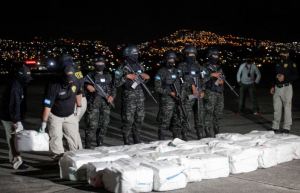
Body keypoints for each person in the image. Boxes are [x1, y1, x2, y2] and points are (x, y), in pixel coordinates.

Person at [40, 65, 83, 161]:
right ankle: (57, 160)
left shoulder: (75, 80)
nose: (71, 81)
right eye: (69, 80)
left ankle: (74, 159)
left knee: (73, 138)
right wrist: (43, 122)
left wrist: (79, 106)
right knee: (56, 138)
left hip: (70, 115)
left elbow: (79, 93)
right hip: (55, 116)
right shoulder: (54, 85)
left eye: (72, 79)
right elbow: (47, 105)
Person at [114, 45, 150, 145]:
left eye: (137, 54)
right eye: (134, 54)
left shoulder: (139, 66)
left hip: (140, 95)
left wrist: (147, 77)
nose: (136, 56)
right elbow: (116, 83)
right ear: (128, 54)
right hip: (128, 95)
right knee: (128, 118)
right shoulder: (121, 68)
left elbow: (143, 80)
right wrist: (126, 76)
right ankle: (126, 139)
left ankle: (136, 138)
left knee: (140, 117)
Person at [0, 66, 33, 169]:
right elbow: (13, 106)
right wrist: (16, 121)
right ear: (20, 77)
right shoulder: (15, 88)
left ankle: (16, 157)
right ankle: (16, 162)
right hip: (9, 116)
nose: (27, 82)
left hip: (14, 115)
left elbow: (21, 102)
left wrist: (24, 112)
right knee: (13, 139)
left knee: (16, 138)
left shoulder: (21, 85)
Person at [178, 45, 210, 140]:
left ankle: (199, 133)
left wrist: (203, 90)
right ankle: (184, 133)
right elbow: (179, 81)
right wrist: (191, 85)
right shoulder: (181, 66)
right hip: (187, 94)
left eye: (193, 54)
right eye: (190, 54)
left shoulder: (198, 66)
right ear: (186, 55)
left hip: (199, 94)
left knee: (200, 114)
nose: (192, 56)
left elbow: (203, 79)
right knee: (185, 114)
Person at [84, 56, 116, 148]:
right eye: (98, 64)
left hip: (106, 103)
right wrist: (87, 86)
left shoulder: (108, 75)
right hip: (93, 103)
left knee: (104, 124)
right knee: (92, 124)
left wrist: (112, 96)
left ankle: (100, 142)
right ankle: (88, 143)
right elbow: (81, 84)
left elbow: (113, 88)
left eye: (102, 64)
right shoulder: (89, 75)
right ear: (94, 64)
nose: (100, 65)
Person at [155, 50, 183, 140]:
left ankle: (176, 139)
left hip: (178, 99)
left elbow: (183, 84)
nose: (172, 61)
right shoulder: (161, 72)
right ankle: (161, 140)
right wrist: (169, 93)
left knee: (178, 120)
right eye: (170, 60)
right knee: (164, 121)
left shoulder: (178, 71)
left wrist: (181, 95)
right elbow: (157, 88)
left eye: (173, 59)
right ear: (166, 60)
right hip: (167, 101)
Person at [269, 47, 299, 134]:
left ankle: (286, 127)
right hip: (277, 87)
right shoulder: (277, 63)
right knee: (276, 108)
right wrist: (272, 86)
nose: (282, 54)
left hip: (287, 88)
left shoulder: (291, 63)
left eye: (284, 53)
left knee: (287, 107)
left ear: (287, 54)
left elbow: (296, 75)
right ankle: (275, 127)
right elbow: (273, 75)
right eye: (281, 53)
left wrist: (285, 78)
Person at [58, 54, 85, 149]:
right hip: (81, 99)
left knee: (71, 128)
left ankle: (76, 150)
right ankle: (77, 148)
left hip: (75, 100)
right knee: (73, 127)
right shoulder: (77, 70)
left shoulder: (68, 71)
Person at [202, 48, 224, 137]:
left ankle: (216, 127)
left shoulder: (218, 67)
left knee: (218, 111)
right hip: (210, 92)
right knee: (209, 112)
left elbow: (222, 77)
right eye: (214, 55)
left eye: (217, 56)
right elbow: (201, 79)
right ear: (209, 56)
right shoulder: (204, 67)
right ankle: (207, 129)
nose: (216, 57)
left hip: (219, 91)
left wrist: (221, 81)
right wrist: (211, 75)